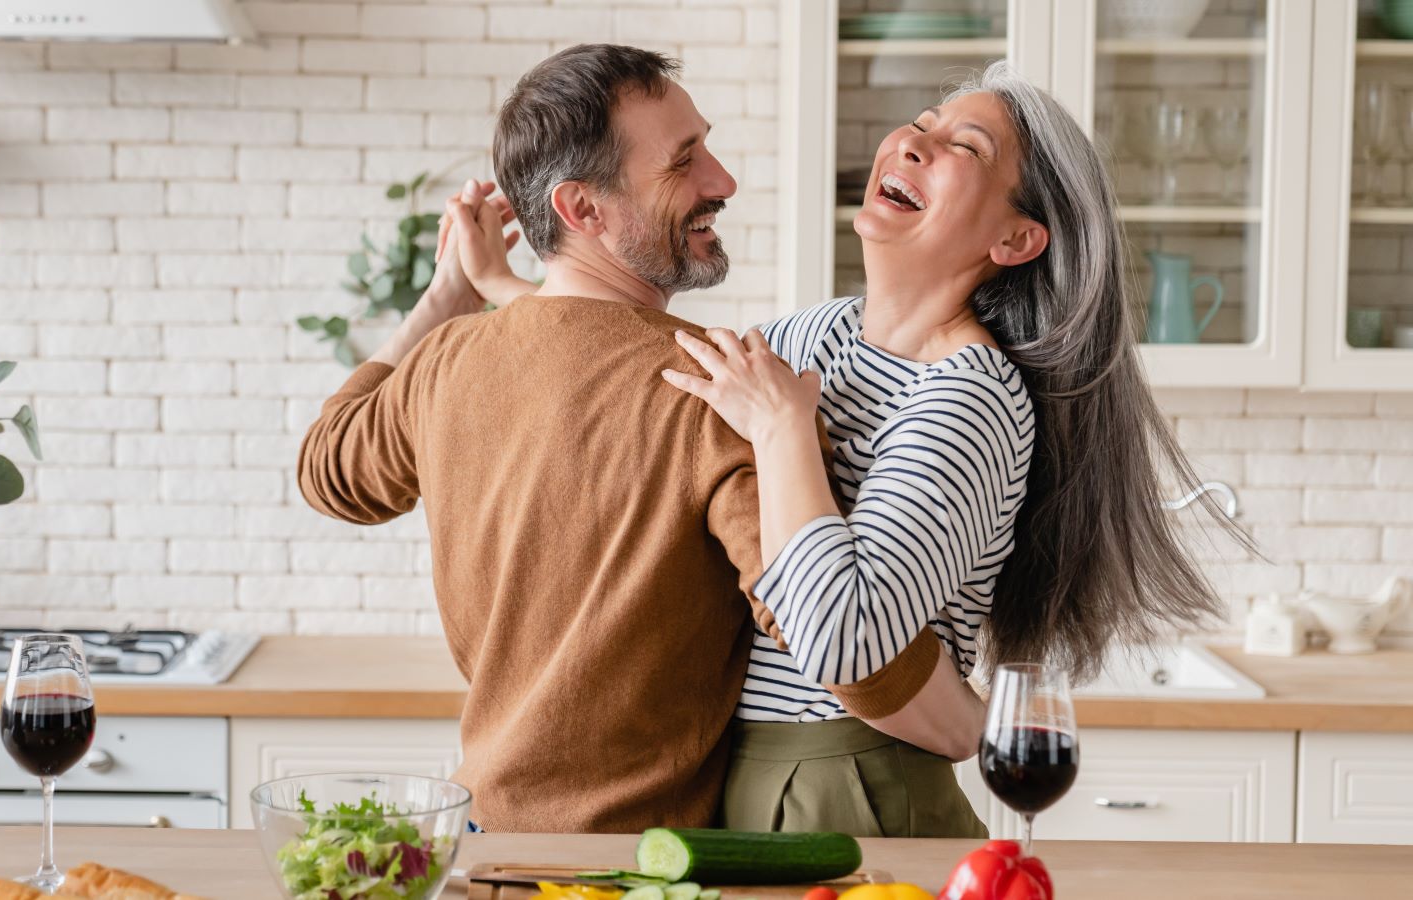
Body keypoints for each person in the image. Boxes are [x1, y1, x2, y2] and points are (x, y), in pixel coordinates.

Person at [450, 61, 1238, 837]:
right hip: (740, 776)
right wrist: (505, 287)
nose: (913, 143)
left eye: (965, 148)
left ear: (1015, 237)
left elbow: (844, 640)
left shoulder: (970, 398)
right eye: (923, 124)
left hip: (853, 784)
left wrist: (786, 431)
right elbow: (650, 370)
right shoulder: (814, 334)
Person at [296, 44, 952, 835]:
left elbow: (327, 470)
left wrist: (446, 297)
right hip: (628, 870)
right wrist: (984, 728)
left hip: (478, 843)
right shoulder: (713, 392)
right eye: (683, 163)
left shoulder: (446, 362)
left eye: (704, 144)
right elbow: (844, 645)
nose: (722, 180)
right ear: (583, 210)